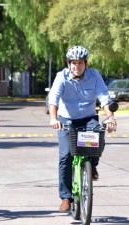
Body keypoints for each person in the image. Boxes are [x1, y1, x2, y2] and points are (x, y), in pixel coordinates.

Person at [48, 46, 117, 212]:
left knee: (98, 140)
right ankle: (66, 198)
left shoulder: (95, 76)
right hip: (66, 120)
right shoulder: (61, 77)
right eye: (73, 63)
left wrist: (110, 118)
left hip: (88, 118)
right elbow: (54, 99)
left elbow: (104, 98)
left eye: (80, 63)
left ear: (86, 64)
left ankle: (92, 164)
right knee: (65, 157)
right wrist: (53, 118)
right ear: (68, 64)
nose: (76, 66)